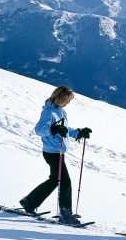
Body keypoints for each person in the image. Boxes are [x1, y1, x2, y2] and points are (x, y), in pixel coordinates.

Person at [19, 85, 92, 225]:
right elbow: (39, 130)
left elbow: (64, 128)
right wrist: (53, 128)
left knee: (54, 180)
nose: (68, 103)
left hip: (58, 152)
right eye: (67, 100)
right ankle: (65, 214)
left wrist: (78, 132)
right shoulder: (48, 112)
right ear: (61, 98)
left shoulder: (61, 111)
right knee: (65, 181)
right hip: (52, 152)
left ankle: (29, 201)